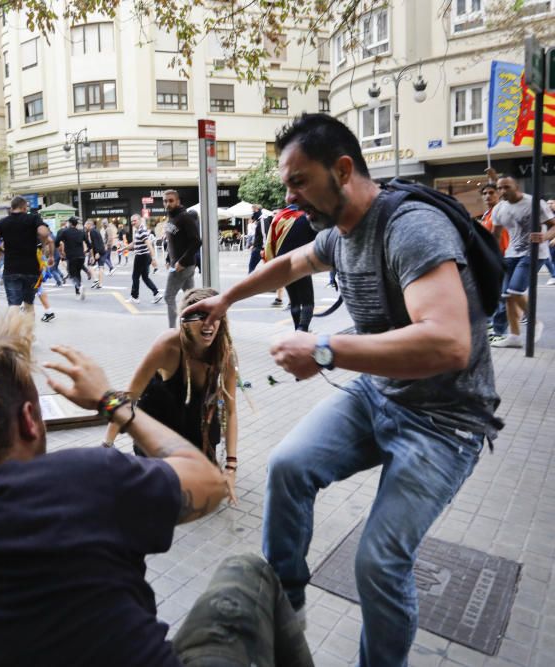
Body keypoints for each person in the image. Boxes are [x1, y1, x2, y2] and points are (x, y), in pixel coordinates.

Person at [184, 113, 502, 667]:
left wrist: (325, 349)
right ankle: (287, 609)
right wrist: (227, 299)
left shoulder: (411, 227)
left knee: (378, 563)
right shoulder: (341, 233)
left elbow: (449, 343)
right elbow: (287, 264)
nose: (291, 196)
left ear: (343, 169)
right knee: (288, 466)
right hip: (381, 395)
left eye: (299, 181)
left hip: (446, 422)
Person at [0, 313, 312, 667]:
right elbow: (208, 483)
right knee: (250, 570)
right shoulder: (85, 480)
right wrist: (112, 402)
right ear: (30, 421)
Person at [103, 288, 238, 486]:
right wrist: (105, 446)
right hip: (158, 431)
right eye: (199, 316)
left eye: (215, 315)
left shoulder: (224, 353)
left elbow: (231, 411)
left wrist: (231, 466)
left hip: (196, 433)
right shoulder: (168, 345)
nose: (209, 322)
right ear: (184, 322)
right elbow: (126, 396)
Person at [489, 175, 555, 347]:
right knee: (507, 296)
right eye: (500, 188)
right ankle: (515, 337)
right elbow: (495, 235)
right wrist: (493, 256)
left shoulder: (534, 203)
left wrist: (544, 236)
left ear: (516, 186)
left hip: (534, 253)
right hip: (511, 254)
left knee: (515, 291)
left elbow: (553, 225)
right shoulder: (499, 209)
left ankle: (534, 322)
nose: (503, 191)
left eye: (507, 187)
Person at [0, 196, 54, 313]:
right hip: (31, 269)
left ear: (12, 208)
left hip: (11, 269)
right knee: (29, 305)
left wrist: (1, 251)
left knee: (14, 305)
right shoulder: (33, 218)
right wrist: (43, 246)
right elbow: (44, 233)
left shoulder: (2, 222)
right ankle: (28, 332)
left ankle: (13, 331)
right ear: (24, 207)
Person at [264, 205, 317, 331]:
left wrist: (271, 263)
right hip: (302, 262)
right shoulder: (307, 216)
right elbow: (317, 240)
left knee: (294, 301)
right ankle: (302, 330)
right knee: (308, 302)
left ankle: (296, 328)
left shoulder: (279, 216)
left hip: (283, 264)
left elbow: (269, 242)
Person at [162, 190, 202, 326]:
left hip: (183, 266)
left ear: (178, 201)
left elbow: (197, 241)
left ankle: (173, 329)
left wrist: (181, 261)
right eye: (165, 201)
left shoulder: (185, 217)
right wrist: (168, 258)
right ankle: (194, 324)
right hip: (181, 264)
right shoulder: (171, 217)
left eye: (171, 200)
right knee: (190, 297)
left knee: (168, 296)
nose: (168, 203)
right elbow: (172, 241)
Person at [479, 183, 507, 340]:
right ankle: (491, 323)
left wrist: (494, 177)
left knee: (505, 295)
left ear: (499, 194)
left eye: (491, 192)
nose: (488, 196)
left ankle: (500, 332)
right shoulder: (487, 214)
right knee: (493, 293)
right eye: (485, 193)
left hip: (505, 257)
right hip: (493, 257)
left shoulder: (502, 208)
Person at [126, 214, 162, 304]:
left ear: (140, 220)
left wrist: (153, 258)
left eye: (135, 220)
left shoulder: (141, 230)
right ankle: (156, 293)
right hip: (144, 256)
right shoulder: (138, 230)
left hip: (141, 256)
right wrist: (124, 248)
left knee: (135, 276)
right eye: (132, 221)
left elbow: (149, 244)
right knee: (145, 277)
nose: (133, 222)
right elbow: (134, 243)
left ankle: (135, 297)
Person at [54, 216, 89, 299]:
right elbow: (89, 244)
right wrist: (86, 251)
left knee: (72, 275)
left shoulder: (65, 232)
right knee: (78, 273)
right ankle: (78, 293)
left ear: (70, 223)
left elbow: (56, 242)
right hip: (81, 256)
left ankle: (79, 286)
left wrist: (60, 249)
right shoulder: (81, 232)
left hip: (71, 256)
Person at [85, 219, 108, 288]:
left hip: (98, 252)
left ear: (89, 225)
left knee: (90, 265)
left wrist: (97, 253)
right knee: (101, 267)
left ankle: (95, 280)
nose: (85, 226)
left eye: (86, 225)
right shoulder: (95, 230)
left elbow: (95, 242)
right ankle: (100, 284)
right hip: (102, 251)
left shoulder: (92, 231)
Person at [249, 205, 265, 273]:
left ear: (257, 210)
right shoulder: (259, 221)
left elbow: (264, 234)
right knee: (251, 267)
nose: (253, 213)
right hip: (258, 247)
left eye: (253, 211)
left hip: (260, 248)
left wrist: (263, 248)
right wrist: (253, 245)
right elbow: (258, 236)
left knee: (251, 267)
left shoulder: (262, 220)